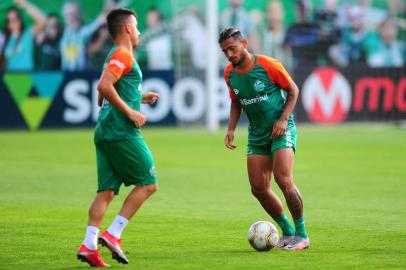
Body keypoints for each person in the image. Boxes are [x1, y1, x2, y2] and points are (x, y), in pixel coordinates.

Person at [77, 8, 160, 267]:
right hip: (120, 131)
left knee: (106, 192)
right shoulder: (123, 54)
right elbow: (103, 87)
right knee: (148, 183)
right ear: (126, 28)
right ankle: (113, 234)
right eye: (136, 26)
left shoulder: (112, 57)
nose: (139, 31)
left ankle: (89, 245)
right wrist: (131, 111)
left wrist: (139, 97)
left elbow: (103, 95)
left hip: (103, 131)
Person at [219, 27, 309, 251]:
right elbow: (235, 101)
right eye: (225, 51)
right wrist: (231, 129)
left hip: (281, 129)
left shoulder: (269, 65)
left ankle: (302, 234)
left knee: (283, 179)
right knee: (258, 188)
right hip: (257, 134)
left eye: (232, 48)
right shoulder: (229, 73)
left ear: (244, 44)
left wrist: (283, 119)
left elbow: (293, 90)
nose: (229, 54)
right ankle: (287, 231)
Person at [0, 0, 46, 70]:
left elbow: (43, 20)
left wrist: (24, 4)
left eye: (15, 18)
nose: (12, 22)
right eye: (8, 20)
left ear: (20, 20)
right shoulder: (5, 38)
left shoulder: (27, 33)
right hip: (9, 77)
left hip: (26, 76)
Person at [60, 1, 105, 71]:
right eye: (68, 15)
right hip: (65, 76)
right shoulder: (61, 32)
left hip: (82, 76)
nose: (71, 18)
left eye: (74, 14)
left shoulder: (85, 31)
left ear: (80, 14)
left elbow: (100, 20)